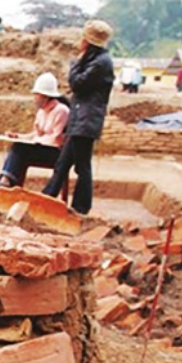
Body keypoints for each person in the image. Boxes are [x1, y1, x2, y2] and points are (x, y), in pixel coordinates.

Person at [41, 20, 114, 216]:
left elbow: (77, 84)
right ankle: (47, 198)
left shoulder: (99, 63)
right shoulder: (96, 60)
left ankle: (81, 207)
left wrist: (76, 62)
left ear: (88, 42)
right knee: (63, 164)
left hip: (86, 121)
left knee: (81, 166)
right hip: (81, 119)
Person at [0, 73, 70, 194]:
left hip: (56, 153)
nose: (35, 98)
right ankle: (6, 181)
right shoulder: (41, 112)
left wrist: (37, 141)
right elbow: (36, 134)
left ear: (46, 96)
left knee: (21, 149)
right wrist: (18, 137)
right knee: (17, 147)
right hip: (42, 148)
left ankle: (6, 182)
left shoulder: (61, 111)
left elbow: (57, 138)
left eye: (37, 95)